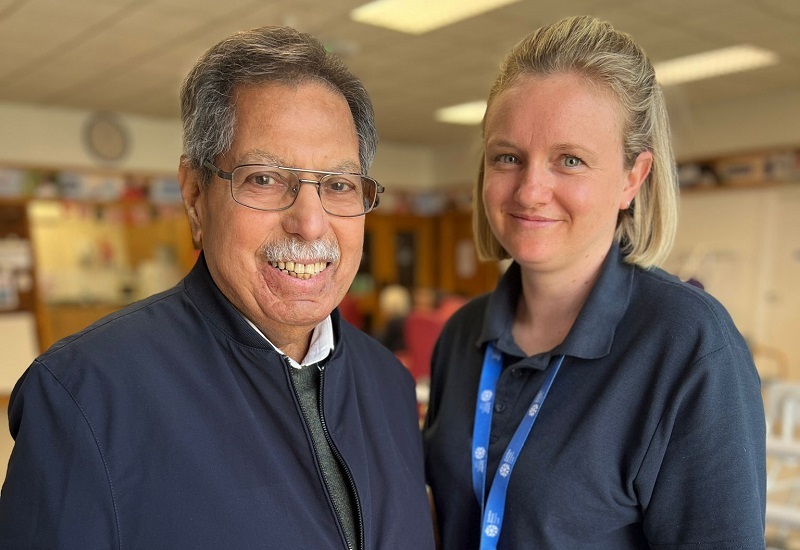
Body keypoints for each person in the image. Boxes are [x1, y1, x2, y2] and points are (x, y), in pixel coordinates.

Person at [0, 26, 435, 549]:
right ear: (194, 196)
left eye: (338, 185)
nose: (312, 223)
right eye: (265, 179)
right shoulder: (86, 394)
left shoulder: (387, 383)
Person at [423, 15, 765, 549]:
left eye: (570, 160)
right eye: (508, 157)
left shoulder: (689, 346)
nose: (531, 190)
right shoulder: (463, 336)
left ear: (633, 178)